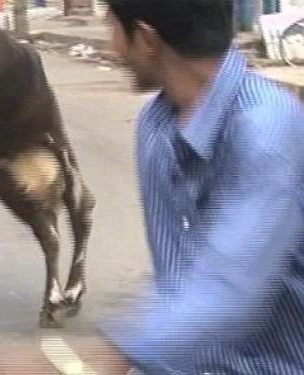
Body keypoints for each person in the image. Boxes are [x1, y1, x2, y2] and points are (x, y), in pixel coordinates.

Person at [57, 0, 304, 374]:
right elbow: (177, 283)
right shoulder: (155, 128)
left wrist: (80, 362)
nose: (113, 50)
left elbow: (228, 286)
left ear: (146, 39)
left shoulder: (266, 128)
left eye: (114, 30)